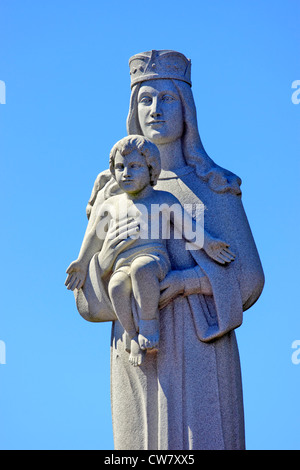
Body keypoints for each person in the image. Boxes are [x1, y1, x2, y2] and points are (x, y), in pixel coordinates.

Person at [70, 51, 264, 450]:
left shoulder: (215, 186)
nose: (155, 109)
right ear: (133, 110)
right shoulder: (112, 194)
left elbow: (248, 279)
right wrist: (104, 261)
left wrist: (180, 283)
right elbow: (87, 303)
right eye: (145, 99)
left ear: (186, 108)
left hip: (201, 348)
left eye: (167, 98)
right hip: (137, 351)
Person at [66, 134, 235, 367]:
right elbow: (94, 235)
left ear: (151, 170)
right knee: (116, 286)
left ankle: (148, 324)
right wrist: (81, 262)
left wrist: (208, 243)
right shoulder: (111, 205)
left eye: (134, 166)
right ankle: (131, 334)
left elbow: (188, 227)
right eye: (120, 167)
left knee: (141, 269)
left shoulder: (163, 200)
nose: (125, 172)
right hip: (121, 262)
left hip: (153, 258)